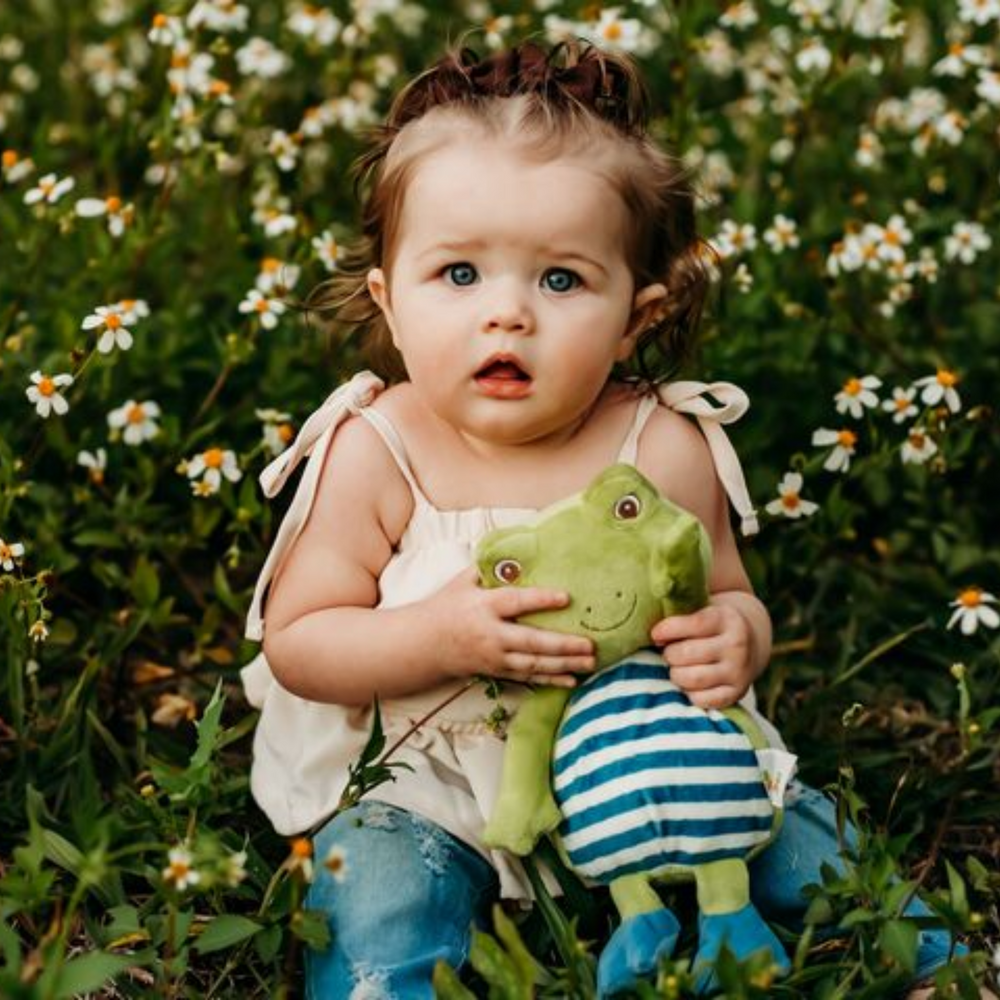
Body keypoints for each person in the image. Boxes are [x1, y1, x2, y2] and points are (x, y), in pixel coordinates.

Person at [242, 38, 964, 999]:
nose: (507, 315)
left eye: (561, 280)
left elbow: (731, 596)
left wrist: (733, 640)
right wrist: (436, 634)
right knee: (374, 890)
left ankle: (936, 958)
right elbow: (301, 643)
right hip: (428, 784)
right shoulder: (379, 450)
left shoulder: (661, 445)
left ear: (636, 315)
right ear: (389, 298)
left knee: (791, 827)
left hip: (648, 762)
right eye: (458, 275)